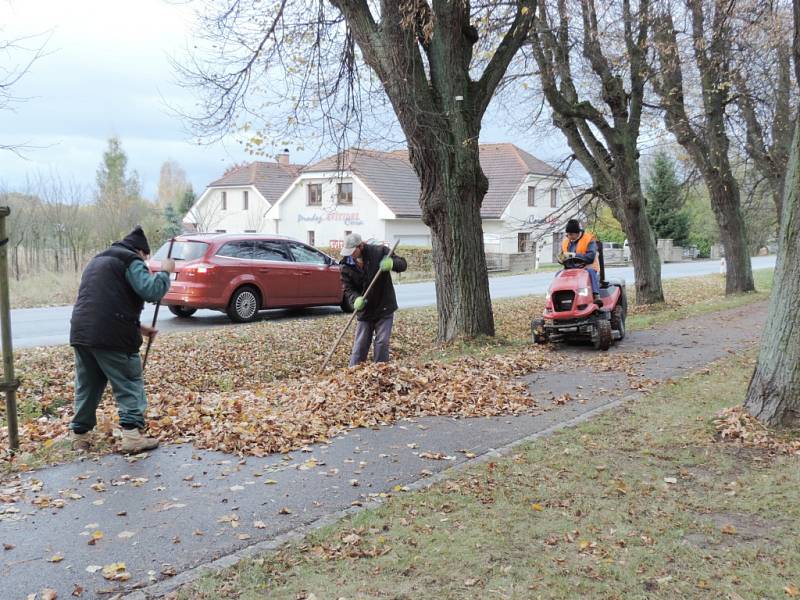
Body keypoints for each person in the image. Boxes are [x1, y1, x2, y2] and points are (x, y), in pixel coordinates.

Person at [68, 226, 175, 454]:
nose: (145, 262)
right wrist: (165, 272)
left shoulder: (98, 260)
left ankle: (79, 436)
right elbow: (151, 291)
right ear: (141, 251)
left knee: (88, 385)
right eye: (146, 258)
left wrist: (139, 327)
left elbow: (103, 302)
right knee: (128, 381)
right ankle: (132, 436)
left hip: (82, 331)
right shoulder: (131, 260)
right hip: (113, 335)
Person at [339, 233, 407, 366]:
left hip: (384, 306)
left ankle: (380, 372)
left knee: (382, 343)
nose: (350, 255)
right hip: (365, 310)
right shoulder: (345, 265)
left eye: (353, 251)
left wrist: (392, 263)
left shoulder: (379, 252)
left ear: (361, 246)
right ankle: (353, 373)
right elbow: (348, 289)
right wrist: (355, 299)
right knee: (360, 345)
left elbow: (403, 264)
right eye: (348, 252)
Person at [560, 219, 602, 306]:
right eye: (567, 234)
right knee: (558, 274)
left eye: (571, 234)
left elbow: (590, 257)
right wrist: (561, 259)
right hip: (571, 269)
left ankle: (596, 296)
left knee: (590, 273)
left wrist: (574, 255)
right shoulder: (566, 242)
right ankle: (560, 297)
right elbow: (562, 255)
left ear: (577, 232)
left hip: (588, 267)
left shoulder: (589, 240)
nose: (569, 236)